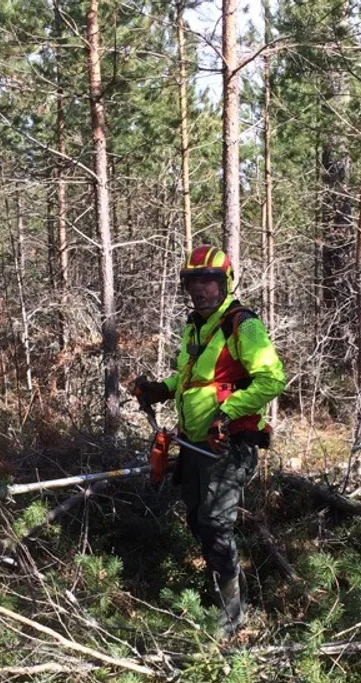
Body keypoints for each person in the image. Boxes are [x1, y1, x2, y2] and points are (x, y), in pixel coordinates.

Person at [131, 244, 285, 635]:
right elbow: (191, 380)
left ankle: (232, 620)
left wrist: (227, 412)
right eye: (193, 282)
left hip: (228, 446)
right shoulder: (194, 326)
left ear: (225, 283)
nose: (200, 290)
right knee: (200, 523)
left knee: (215, 524)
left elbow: (272, 378)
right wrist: (159, 390)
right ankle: (225, 594)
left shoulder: (242, 324)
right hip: (195, 444)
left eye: (208, 282)